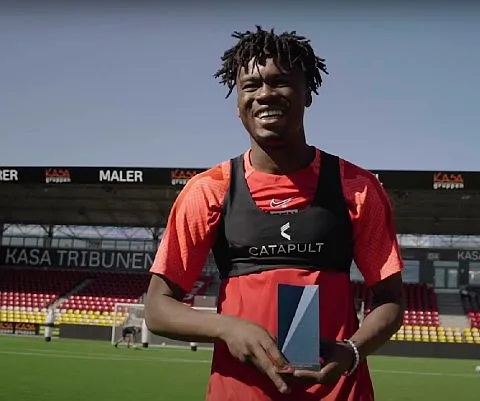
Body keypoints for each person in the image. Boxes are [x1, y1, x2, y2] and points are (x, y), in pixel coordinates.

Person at [145, 26, 405, 401]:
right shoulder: (210, 189)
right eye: (250, 85)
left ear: (308, 93)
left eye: (280, 82)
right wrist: (227, 328)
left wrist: (351, 351)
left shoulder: (357, 187)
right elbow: (157, 307)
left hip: (337, 393)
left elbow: (391, 299)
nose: (265, 94)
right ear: (237, 102)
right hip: (239, 393)